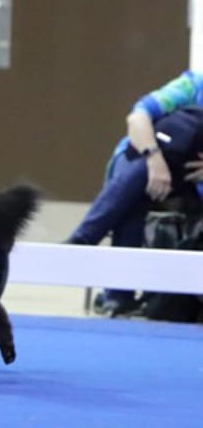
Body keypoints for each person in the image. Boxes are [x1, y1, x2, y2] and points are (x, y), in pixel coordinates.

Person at [65, 70, 203, 315]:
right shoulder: (192, 85)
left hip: (191, 182)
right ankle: (117, 295)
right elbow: (138, 118)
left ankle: (85, 243)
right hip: (146, 158)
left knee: (134, 186)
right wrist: (155, 160)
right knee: (138, 181)